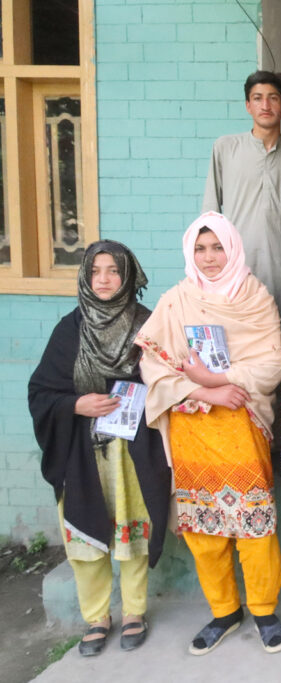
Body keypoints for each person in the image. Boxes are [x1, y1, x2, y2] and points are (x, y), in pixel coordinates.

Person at [136, 212, 281, 656]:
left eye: (217, 247)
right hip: (193, 427)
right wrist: (206, 389)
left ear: (233, 248)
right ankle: (224, 611)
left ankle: (263, 609)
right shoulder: (175, 300)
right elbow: (154, 364)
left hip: (242, 423)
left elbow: (272, 364)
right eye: (200, 249)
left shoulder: (256, 297)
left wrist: (219, 379)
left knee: (254, 523)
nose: (209, 258)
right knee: (205, 528)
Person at [28, 241, 171, 657]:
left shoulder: (148, 326)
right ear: (86, 277)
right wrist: (75, 404)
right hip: (82, 451)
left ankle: (133, 612)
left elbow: (167, 378)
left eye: (113, 270)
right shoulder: (69, 330)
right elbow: (40, 392)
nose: (105, 279)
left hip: (132, 451)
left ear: (128, 276)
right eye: (96, 271)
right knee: (86, 537)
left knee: (133, 534)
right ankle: (96, 617)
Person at [203, 71, 281, 342]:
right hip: (238, 264)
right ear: (248, 105)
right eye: (257, 99)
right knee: (238, 339)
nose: (265, 106)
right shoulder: (225, 148)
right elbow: (210, 211)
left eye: (273, 98)